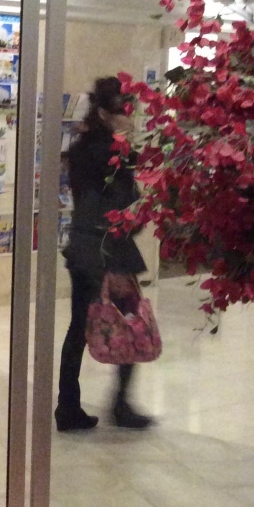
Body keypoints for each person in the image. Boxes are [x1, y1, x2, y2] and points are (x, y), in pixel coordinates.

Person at [56, 76, 154, 432]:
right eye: (122, 111)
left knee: (78, 327)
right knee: (131, 321)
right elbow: (124, 203)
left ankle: (68, 406)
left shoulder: (80, 147)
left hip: (83, 244)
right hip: (110, 248)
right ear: (104, 113)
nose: (128, 117)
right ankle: (121, 405)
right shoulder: (115, 152)